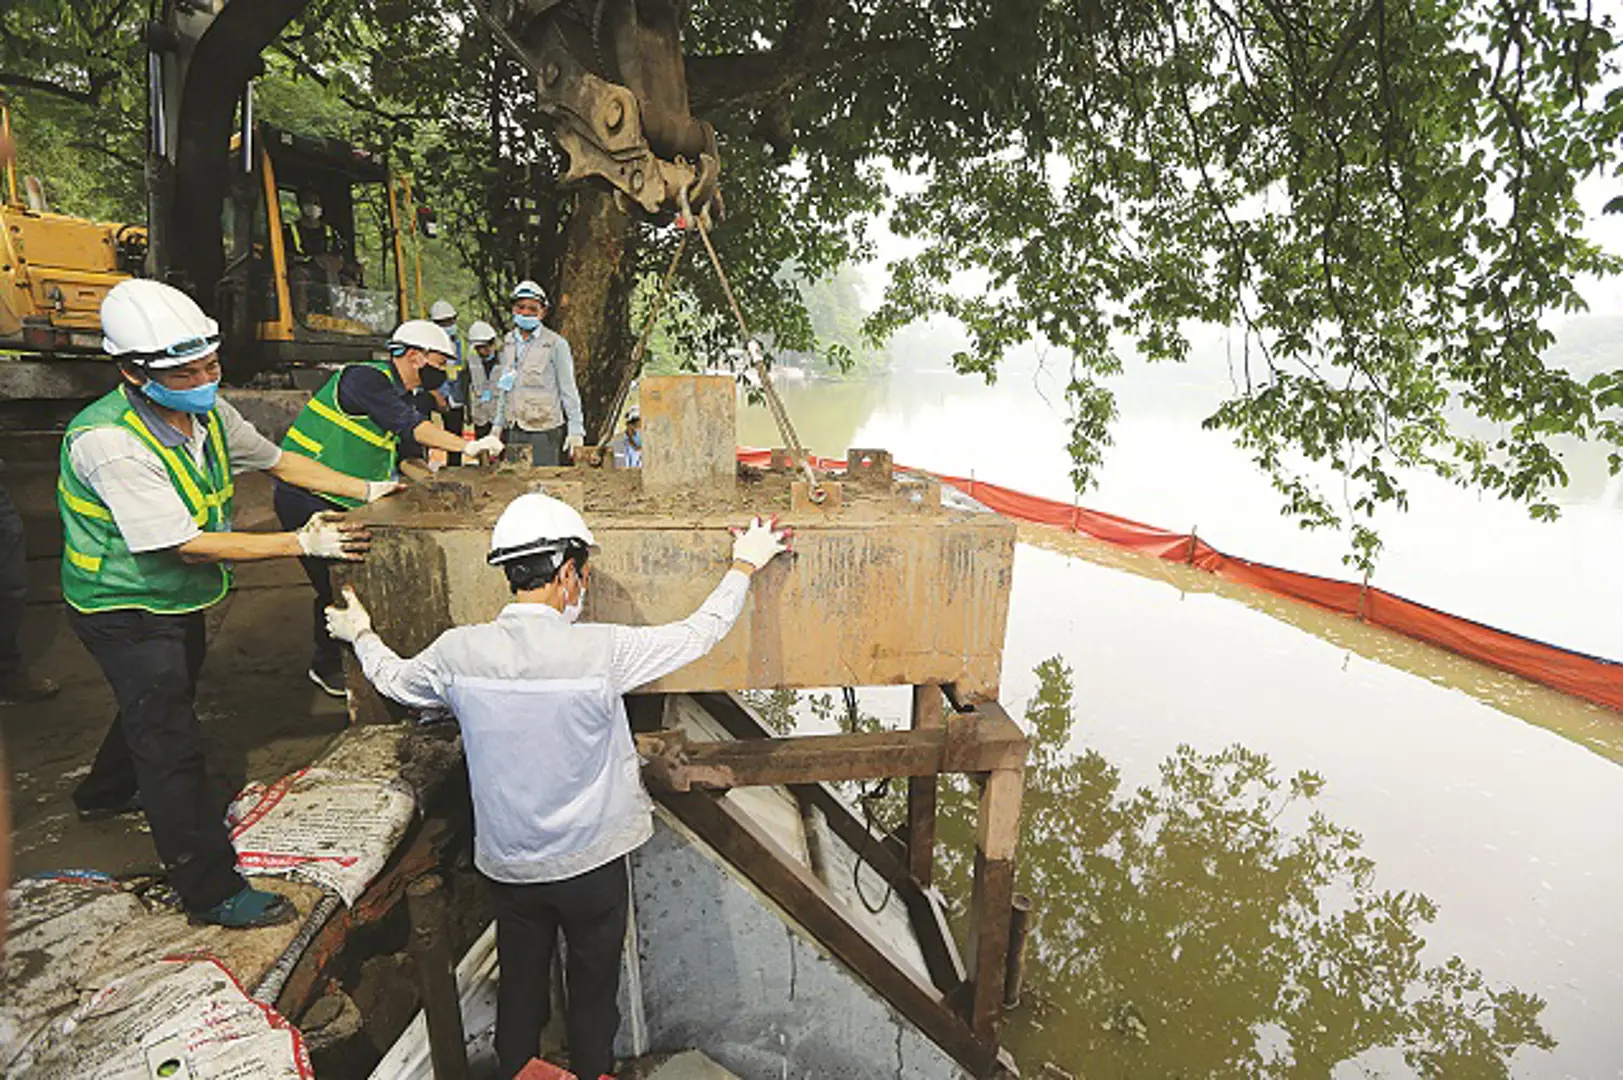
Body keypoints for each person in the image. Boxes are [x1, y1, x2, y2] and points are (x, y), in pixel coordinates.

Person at [325, 494, 792, 1079]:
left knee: (520, 987)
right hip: (592, 868)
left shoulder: (457, 652)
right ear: (567, 572)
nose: (585, 588)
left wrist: (361, 634)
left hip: (513, 868)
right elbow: (700, 633)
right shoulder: (602, 649)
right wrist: (745, 563)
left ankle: (522, 1069)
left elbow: (396, 681)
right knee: (594, 993)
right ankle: (592, 1069)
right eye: (584, 576)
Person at [61, 279, 392, 929]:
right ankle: (210, 889)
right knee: (171, 740)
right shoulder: (109, 442)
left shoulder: (209, 416)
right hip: (121, 608)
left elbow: (281, 463)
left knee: (162, 694)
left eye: (210, 364)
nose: (203, 378)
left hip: (176, 601)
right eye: (185, 370)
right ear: (132, 372)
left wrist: (375, 486)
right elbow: (184, 544)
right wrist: (300, 539)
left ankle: (103, 791)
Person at [275, 320, 505, 696]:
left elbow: (409, 457)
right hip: (306, 492)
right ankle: (330, 666)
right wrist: (467, 446)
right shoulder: (364, 379)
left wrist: (433, 482)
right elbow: (409, 426)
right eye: (440, 361)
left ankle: (349, 656)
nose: (444, 371)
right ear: (414, 356)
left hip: (351, 498)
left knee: (348, 578)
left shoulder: (411, 397)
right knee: (335, 582)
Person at [493, 281, 584, 466]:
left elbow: (568, 390)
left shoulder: (555, 344)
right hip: (515, 427)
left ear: (542, 312)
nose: (525, 313)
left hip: (544, 430)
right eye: (521, 307)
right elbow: (505, 387)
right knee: (516, 482)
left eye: (532, 309)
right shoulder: (509, 342)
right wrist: (497, 425)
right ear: (513, 309)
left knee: (543, 484)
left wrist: (576, 430)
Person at [465, 319, 502, 437]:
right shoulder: (472, 362)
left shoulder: (506, 361)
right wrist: (468, 412)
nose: (485, 350)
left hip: (500, 415)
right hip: (480, 415)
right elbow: (466, 388)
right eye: (481, 347)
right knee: (482, 448)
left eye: (489, 344)